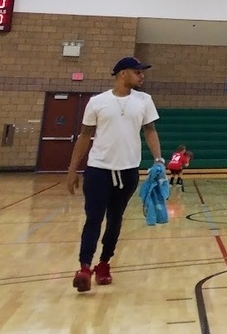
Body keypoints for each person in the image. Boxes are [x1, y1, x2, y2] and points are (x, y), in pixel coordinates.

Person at [65, 56, 164, 293]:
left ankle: (104, 263)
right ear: (122, 73)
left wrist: (159, 160)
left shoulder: (144, 100)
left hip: (128, 170)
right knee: (93, 218)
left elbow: (150, 131)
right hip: (98, 169)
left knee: (116, 219)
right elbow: (85, 135)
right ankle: (84, 267)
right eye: (138, 72)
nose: (142, 76)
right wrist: (72, 168)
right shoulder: (97, 102)